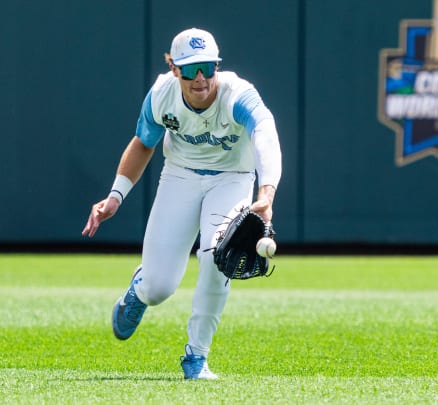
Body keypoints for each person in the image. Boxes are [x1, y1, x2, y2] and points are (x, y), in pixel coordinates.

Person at [81, 27, 282, 380]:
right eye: (190, 69)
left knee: (218, 257)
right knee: (160, 287)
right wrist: (115, 195)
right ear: (174, 68)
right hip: (180, 175)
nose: (200, 77)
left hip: (232, 177)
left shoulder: (238, 94)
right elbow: (144, 143)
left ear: (217, 65)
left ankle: (196, 357)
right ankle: (139, 291)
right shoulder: (162, 95)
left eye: (207, 66)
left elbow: (266, 134)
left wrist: (266, 193)